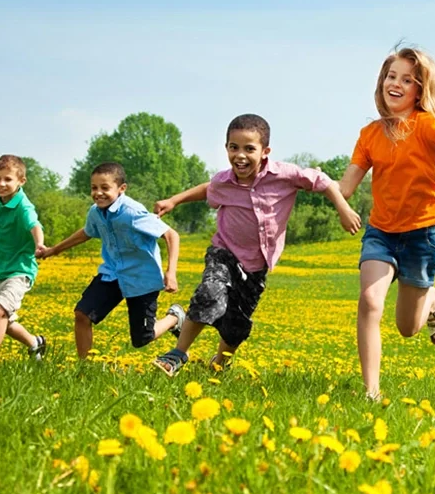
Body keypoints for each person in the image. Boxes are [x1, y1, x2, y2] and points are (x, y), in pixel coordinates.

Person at [152, 113, 361, 376]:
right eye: (233, 147)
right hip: (224, 253)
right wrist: (174, 200)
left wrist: (343, 209)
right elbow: (208, 188)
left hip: (256, 265)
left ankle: (220, 363)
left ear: (265, 151)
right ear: (226, 147)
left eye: (249, 148)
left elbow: (324, 182)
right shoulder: (224, 182)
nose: (240, 155)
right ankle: (177, 354)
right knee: (209, 294)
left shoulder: (285, 175)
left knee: (237, 325)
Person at [340, 46, 435, 400]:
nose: (396, 84)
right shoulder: (369, 134)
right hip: (381, 233)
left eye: (407, 80)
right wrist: (317, 188)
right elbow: (346, 186)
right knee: (370, 302)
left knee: (407, 328)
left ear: (420, 90)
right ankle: (371, 391)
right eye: (391, 76)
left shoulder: (427, 124)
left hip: (423, 234)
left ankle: (430, 296)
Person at [37, 162, 183, 359]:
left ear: (121, 189)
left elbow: (171, 235)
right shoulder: (95, 212)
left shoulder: (132, 212)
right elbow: (86, 233)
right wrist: (54, 250)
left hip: (141, 277)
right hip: (112, 273)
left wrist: (171, 272)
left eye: (105, 188)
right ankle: (84, 368)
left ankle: (174, 318)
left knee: (142, 338)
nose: (98, 193)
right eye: (94, 188)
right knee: (82, 314)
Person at [0, 155, 47, 359]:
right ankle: (35, 343)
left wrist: (39, 244)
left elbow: (34, 225)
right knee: (6, 323)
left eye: (8, 179)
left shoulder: (23, 206)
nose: (1, 184)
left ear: (21, 181)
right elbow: (1, 220)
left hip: (20, 269)